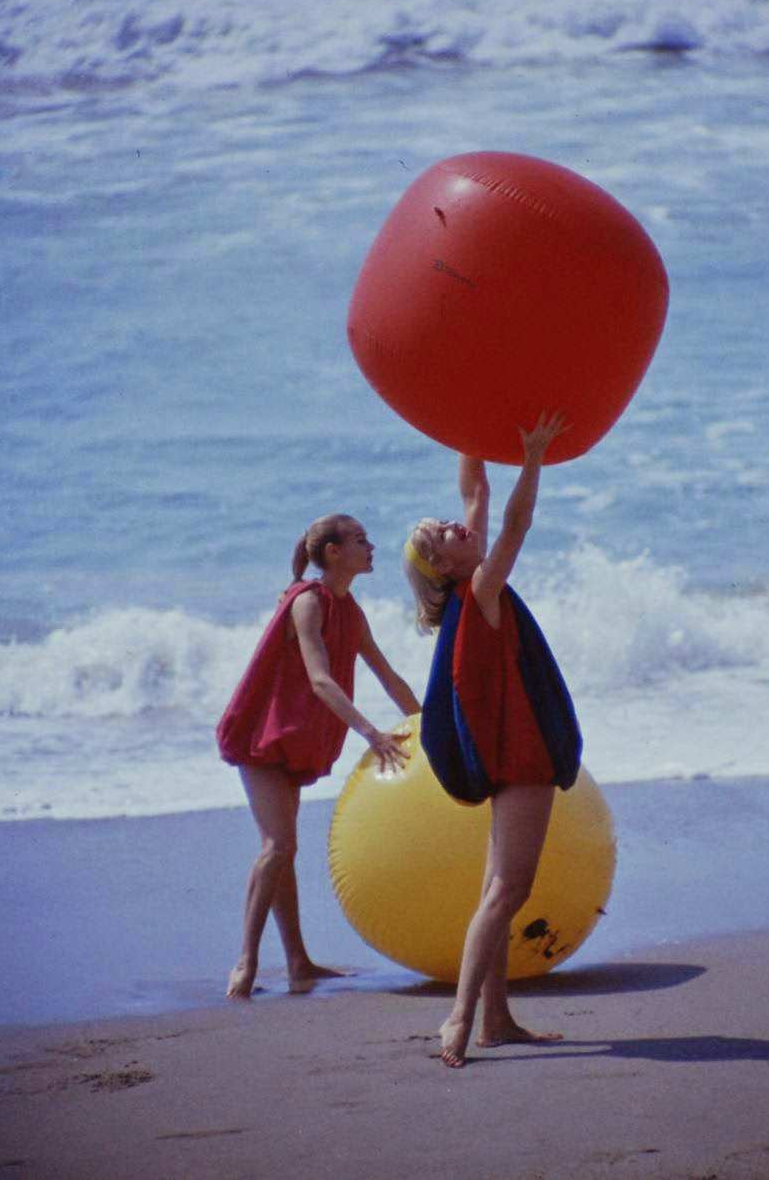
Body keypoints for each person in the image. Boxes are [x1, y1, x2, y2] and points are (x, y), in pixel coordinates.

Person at [401, 413, 582, 1067]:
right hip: (521, 755)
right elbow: (514, 525)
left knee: (495, 891)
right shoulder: (479, 587)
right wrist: (532, 457)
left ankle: (496, 1020)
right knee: (509, 890)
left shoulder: (464, 587)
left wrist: (465, 403)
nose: (457, 525)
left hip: (505, 751)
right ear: (444, 566)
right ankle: (458, 1019)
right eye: (443, 535)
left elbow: (475, 488)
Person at [217, 513, 421, 998]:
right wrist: (372, 734)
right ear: (333, 552)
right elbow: (320, 679)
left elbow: (388, 677)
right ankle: (245, 965)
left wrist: (426, 722)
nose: (371, 547)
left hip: (298, 739)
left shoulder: (351, 611)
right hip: (261, 736)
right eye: (359, 540)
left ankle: (298, 965)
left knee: (285, 846)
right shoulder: (308, 603)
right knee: (278, 846)